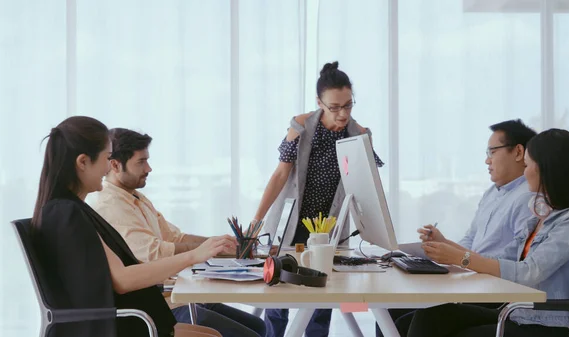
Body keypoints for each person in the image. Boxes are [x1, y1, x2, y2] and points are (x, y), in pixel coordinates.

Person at [32, 116, 237, 337]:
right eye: (106, 158)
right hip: (119, 324)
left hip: (128, 318)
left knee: (214, 334)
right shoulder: (67, 213)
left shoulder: (70, 210)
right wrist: (194, 256)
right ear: (83, 162)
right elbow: (122, 280)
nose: (107, 168)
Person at [400, 128, 569, 337]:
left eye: (528, 165)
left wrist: (462, 258)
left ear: (545, 169)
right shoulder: (537, 220)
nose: (525, 172)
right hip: (515, 315)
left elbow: (528, 272)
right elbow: (497, 260)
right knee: (431, 317)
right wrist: (449, 248)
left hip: (543, 324)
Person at [91, 127, 267, 337]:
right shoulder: (112, 206)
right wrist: (206, 251)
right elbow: (154, 253)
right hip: (162, 305)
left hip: (177, 297)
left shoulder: (135, 197)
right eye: (141, 162)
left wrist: (227, 246)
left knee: (259, 326)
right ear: (115, 165)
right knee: (251, 335)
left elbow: (177, 238)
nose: (149, 168)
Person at [252, 61, 384, 337]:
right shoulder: (301, 126)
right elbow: (280, 175)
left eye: (348, 105)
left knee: (321, 298)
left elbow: (367, 189)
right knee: (278, 294)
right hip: (291, 221)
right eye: (334, 107)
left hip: (327, 229)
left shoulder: (359, 135)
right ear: (319, 103)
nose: (342, 113)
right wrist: (256, 220)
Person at [376, 119, 537, 337]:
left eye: (492, 152)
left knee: (418, 319)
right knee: (390, 308)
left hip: (492, 292)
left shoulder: (529, 199)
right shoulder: (493, 193)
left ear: (518, 152)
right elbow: (470, 240)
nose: (486, 160)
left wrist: (460, 258)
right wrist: (444, 246)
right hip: (472, 281)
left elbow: (516, 262)